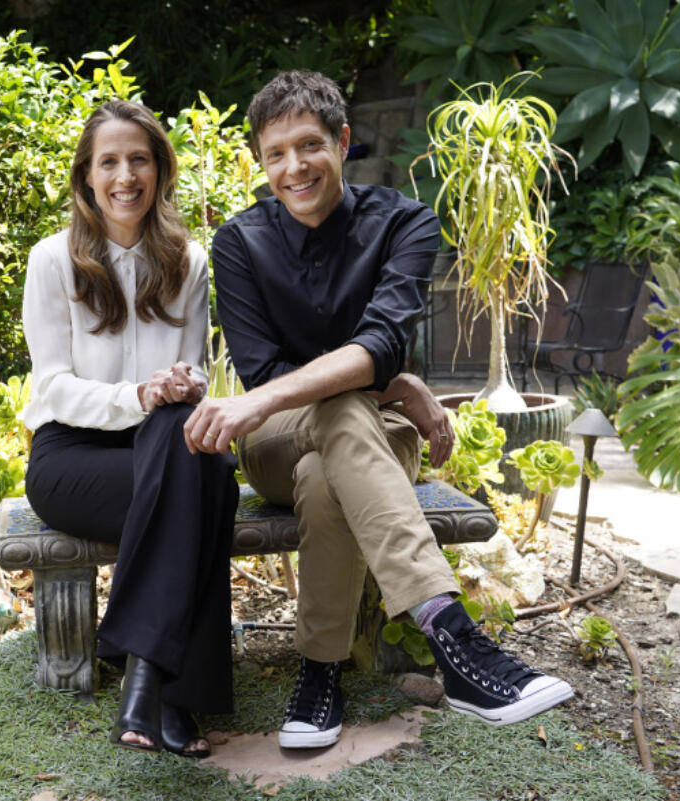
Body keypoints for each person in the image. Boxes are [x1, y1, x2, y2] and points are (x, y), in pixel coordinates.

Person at [184, 70, 573, 749]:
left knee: (326, 469)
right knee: (333, 422)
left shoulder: (404, 222)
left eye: (309, 146)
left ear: (341, 140)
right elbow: (269, 372)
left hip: (362, 437)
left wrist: (377, 379)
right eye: (275, 153)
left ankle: (319, 673)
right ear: (261, 161)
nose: (293, 167)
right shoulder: (240, 243)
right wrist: (398, 386)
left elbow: (380, 342)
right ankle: (453, 639)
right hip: (275, 440)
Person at [21, 99, 239, 758]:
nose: (125, 176)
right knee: (206, 483)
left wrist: (182, 387)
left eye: (139, 159)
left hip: (162, 448)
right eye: (109, 162)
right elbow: (53, 386)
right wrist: (140, 394)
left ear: (159, 170)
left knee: (199, 463)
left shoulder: (188, 260)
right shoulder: (52, 261)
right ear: (86, 176)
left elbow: (194, 372)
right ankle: (171, 687)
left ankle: (147, 680)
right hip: (73, 460)